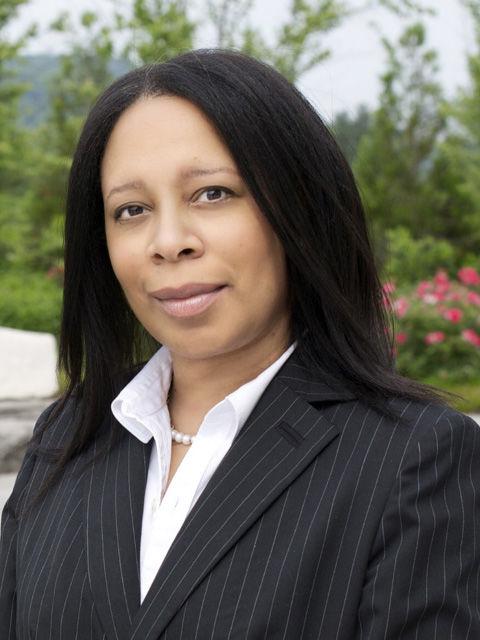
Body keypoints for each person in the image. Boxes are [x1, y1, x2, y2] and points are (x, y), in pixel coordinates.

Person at [0, 49, 478, 640]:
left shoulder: (413, 458)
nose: (168, 241)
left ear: (297, 208)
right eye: (132, 209)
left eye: (212, 194)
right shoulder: (66, 436)